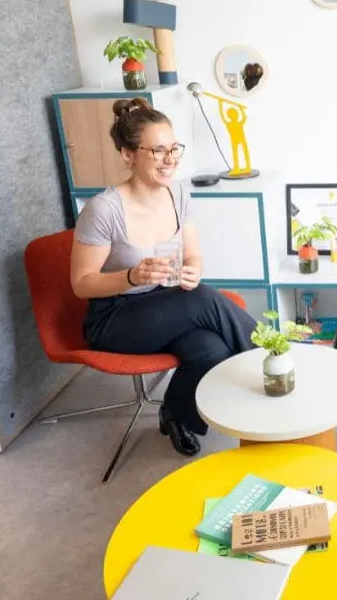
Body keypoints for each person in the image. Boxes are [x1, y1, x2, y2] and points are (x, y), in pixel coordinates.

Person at [70, 98, 257, 457]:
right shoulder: (103, 209)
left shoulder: (178, 193)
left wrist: (193, 270)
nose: (170, 159)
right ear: (128, 155)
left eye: (174, 149)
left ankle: (175, 414)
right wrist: (130, 275)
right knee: (201, 299)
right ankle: (269, 362)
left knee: (211, 348)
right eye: (158, 151)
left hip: (167, 305)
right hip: (115, 317)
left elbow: (193, 254)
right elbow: (81, 283)